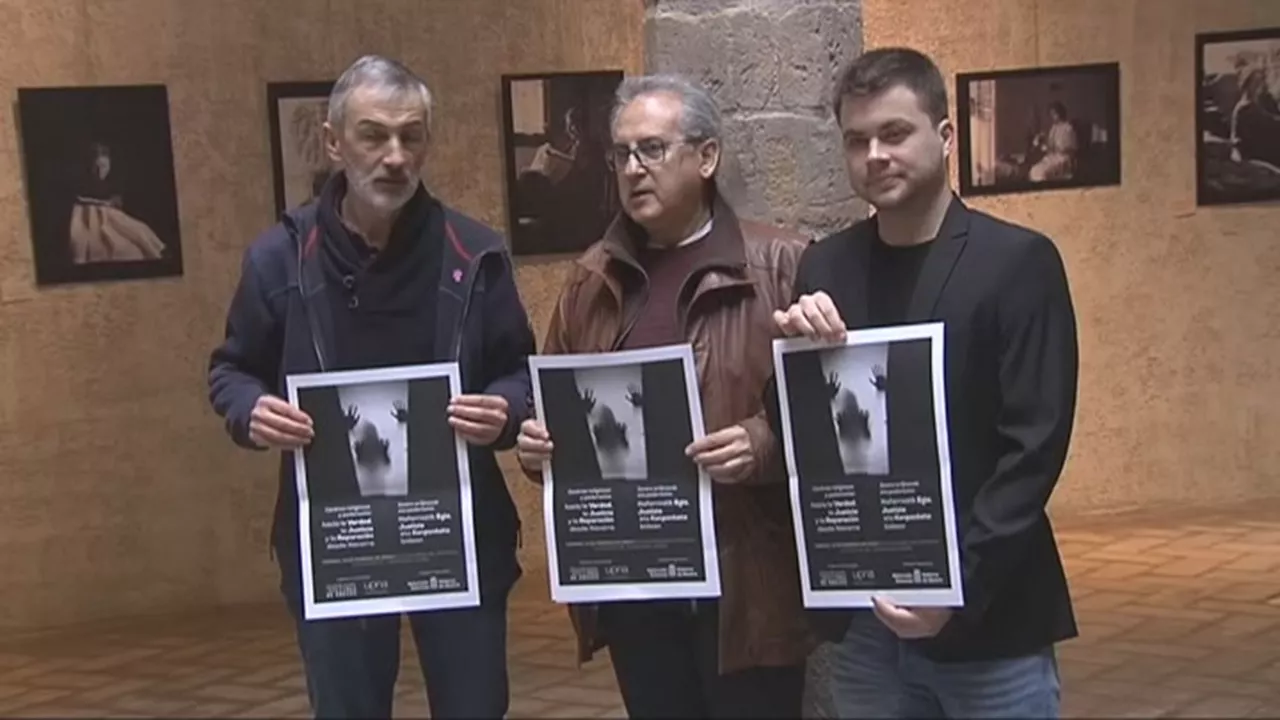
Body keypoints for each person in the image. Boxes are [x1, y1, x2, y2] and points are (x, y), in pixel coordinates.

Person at [206, 54, 535, 719]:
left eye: (411, 136)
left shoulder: (475, 254)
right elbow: (231, 370)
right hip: (337, 535)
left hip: (458, 531)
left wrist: (503, 409)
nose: (395, 156)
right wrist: (251, 410)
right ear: (334, 143)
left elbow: (523, 374)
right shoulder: (278, 259)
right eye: (373, 135)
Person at [772, 47, 1079, 718]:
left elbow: (1034, 445)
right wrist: (795, 356)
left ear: (944, 136)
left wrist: (958, 585)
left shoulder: (1018, 262)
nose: (875, 155)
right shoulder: (825, 267)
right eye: (856, 140)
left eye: (894, 132)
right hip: (867, 622)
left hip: (989, 617)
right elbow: (800, 435)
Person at [515, 73, 815, 718]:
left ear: (706, 157)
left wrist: (764, 442)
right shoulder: (590, 278)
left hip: (746, 586)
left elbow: (831, 415)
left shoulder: (783, 264)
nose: (633, 169)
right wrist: (536, 447)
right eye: (621, 154)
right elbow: (553, 407)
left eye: (652, 149)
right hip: (636, 583)